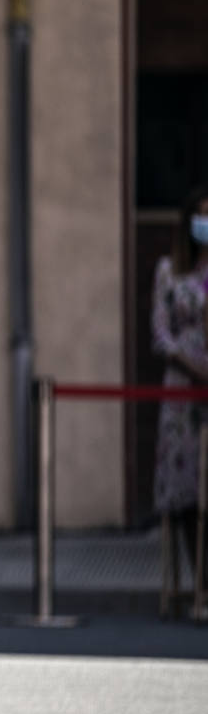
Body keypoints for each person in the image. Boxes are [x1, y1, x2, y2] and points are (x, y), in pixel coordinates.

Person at [150, 184, 208, 609]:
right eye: (201, 214)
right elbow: (160, 330)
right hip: (182, 385)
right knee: (185, 488)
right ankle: (196, 580)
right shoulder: (170, 271)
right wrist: (190, 364)